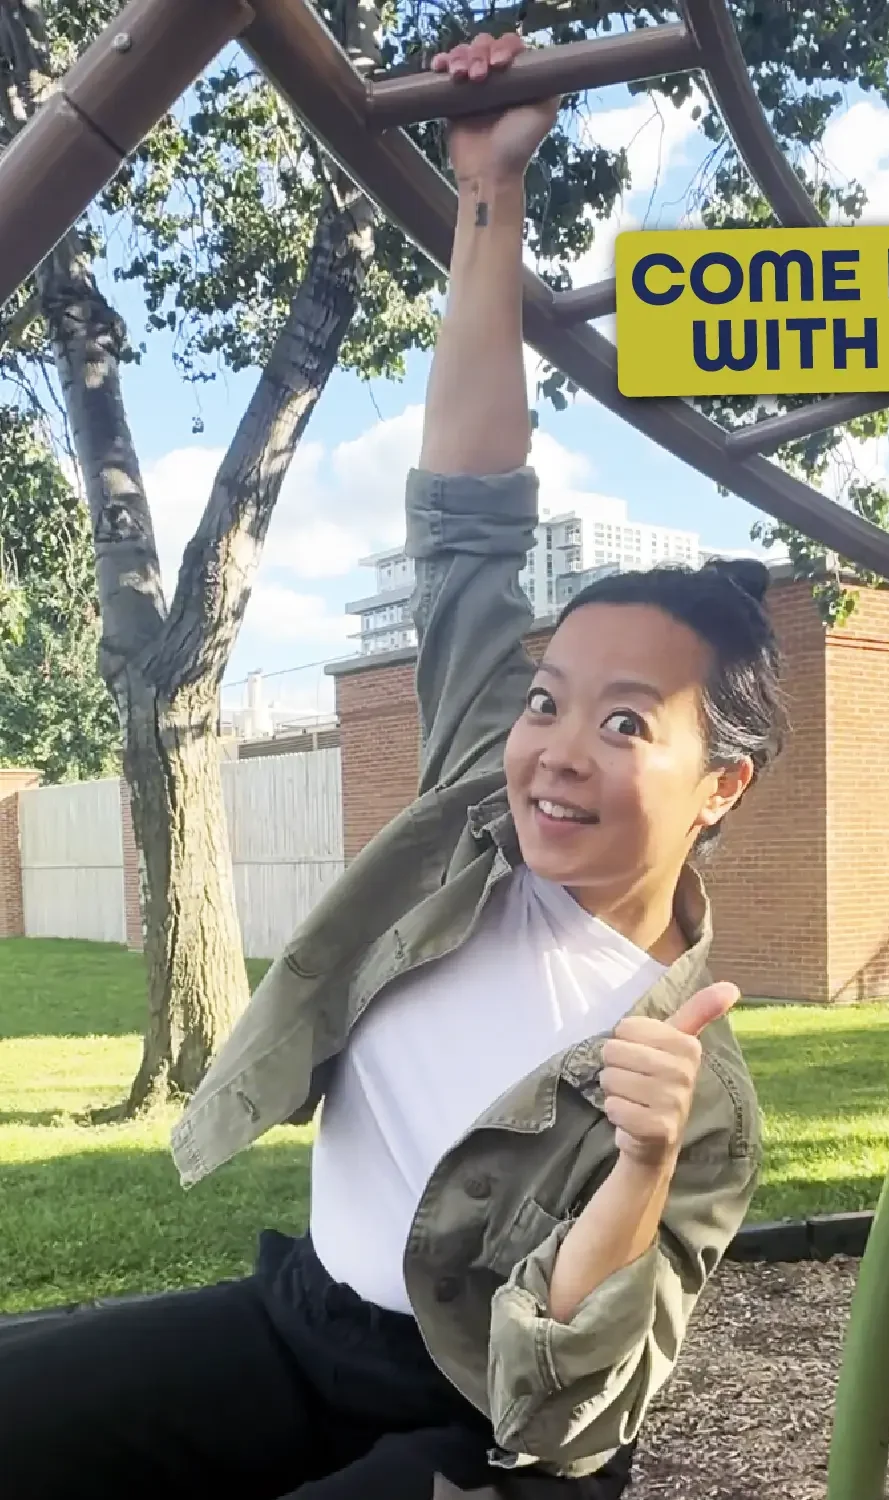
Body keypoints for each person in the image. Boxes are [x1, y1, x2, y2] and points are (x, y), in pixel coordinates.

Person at [0, 29, 786, 1500]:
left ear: (721, 784)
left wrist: (642, 1166)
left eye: (628, 725)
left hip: (488, 1423)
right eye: (549, 702)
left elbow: (573, 1394)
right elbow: (472, 512)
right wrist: (490, 190)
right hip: (301, 1323)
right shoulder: (477, 813)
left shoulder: (700, 1087)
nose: (555, 750)